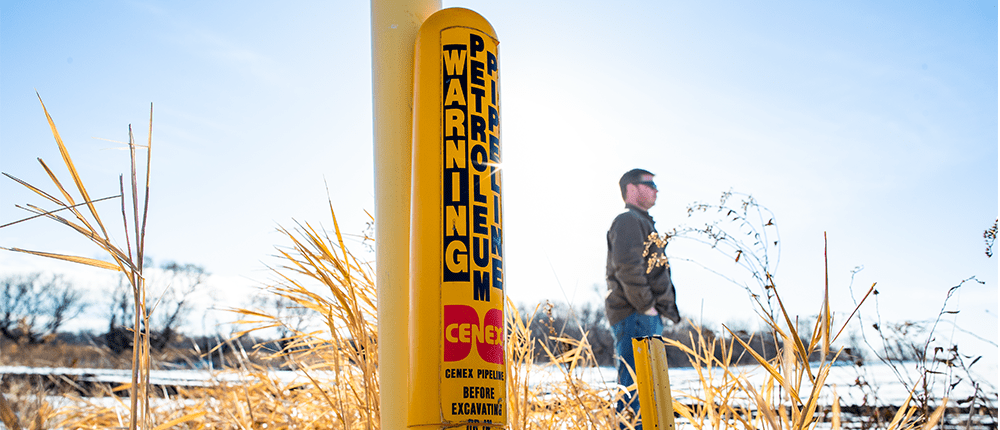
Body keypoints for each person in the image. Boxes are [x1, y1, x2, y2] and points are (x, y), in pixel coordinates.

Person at [605, 168, 680, 429]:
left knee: (651, 392)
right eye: (649, 184)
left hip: (644, 316)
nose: (656, 190)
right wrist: (646, 307)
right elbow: (628, 266)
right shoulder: (628, 220)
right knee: (635, 391)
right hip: (636, 316)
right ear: (631, 189)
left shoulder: (643, 222)